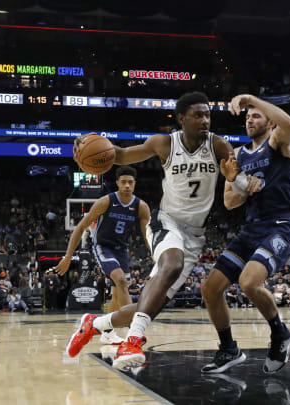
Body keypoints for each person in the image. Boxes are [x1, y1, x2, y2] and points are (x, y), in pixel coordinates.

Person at [63, 92, 237, 370]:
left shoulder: (218, 145)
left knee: (149, 305)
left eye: (208, 115)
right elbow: (118, 154)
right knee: (172, 264)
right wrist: (89, 146)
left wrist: (235, 180)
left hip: (195, 235)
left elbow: (235, 187)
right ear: (181, 119)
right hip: (166, 221)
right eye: (198, 115)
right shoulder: (165, 143)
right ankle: (132, 342)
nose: (205, 120)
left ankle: (93, 324)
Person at [200, 94, 290, 374]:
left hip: (281, 225)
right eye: (247, 116)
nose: (250, 120)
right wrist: (240, 183)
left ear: (268, 122)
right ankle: (229, 349)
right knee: (210, 289)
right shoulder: (239, 155)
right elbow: (230, 202)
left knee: (249, 282)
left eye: (256, 116)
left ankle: (280, 334)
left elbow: (289, 123)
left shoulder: (278, 142)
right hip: (253, 228)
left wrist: (251, 99)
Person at [56, 166, 151, 345]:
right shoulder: (105, 201)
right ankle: (134, 333)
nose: (127, 186)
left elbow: (147, 236)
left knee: (117, 293)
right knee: (122, 281)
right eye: (123, 182)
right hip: (103, 246)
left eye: (130, 182)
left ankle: (107, 332)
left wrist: (155, 254)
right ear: (117, 183)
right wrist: (68, 256)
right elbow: (80, 227)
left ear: (135, 184)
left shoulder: (141, 207)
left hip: (121, 250)